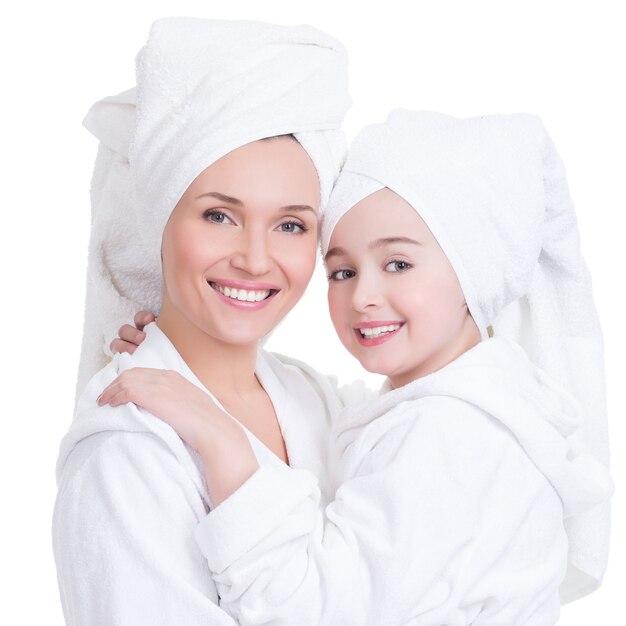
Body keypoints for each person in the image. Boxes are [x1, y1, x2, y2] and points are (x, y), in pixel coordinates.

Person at [103, 110, 613, 624]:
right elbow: (348, 422)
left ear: (473, 273)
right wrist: (184, 355)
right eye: (342, 271)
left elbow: (312, 612)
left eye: (398, 264)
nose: (363, 297)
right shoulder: (468, 407)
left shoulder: (451, 437)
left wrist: (221, 437)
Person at [52, 17, 355, 625]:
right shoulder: (125, 452)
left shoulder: (318, 402)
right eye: (220, 216)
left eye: (291, 224)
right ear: (159, 221)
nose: (255, 257)